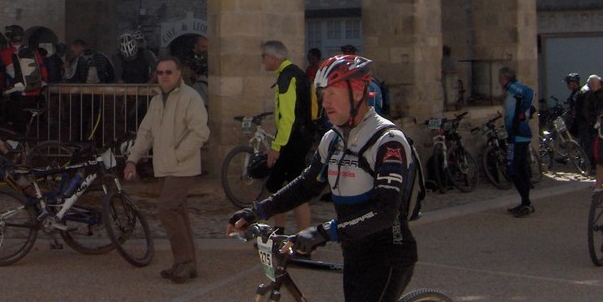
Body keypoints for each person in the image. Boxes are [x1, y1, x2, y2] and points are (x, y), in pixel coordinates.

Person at [227, 54, 417, 302]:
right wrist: (257, 210)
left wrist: (324, 232)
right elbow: (306, 186)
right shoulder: (332, 139)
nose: (325, 102)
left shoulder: (388, 141)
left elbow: (385, 211)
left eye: (333, 93)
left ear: (358, 91)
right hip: (355, 252)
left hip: (389, 254)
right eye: (323, 94)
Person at [123, 56, 209, 284]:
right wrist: (132, 159)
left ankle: (183, 261)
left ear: (179, 73)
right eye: (160, 72)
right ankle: (187, 263)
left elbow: (200, 132)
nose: (164, 76)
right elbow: (146, 133)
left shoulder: (191, 98)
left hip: (182, 166)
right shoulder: (156, 101)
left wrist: (177, 155)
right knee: (178, 211)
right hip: (163, 167)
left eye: (168, 72)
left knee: (166, 209)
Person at [261, 39, 313, 233]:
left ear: (273, 57)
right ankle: (282, 232)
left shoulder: (286, 77)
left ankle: (300, 239)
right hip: (300, 137)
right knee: (280, 187)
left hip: (292, 141)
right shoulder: (297, 73)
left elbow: (287, 117)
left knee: (286, 189)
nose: (263, 61)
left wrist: (276, 146)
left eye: (264, 56)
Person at [498, 65, 536, 217]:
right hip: (516, 134)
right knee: (520, 168)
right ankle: (525, 202)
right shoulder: (509, 89)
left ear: (504, 77)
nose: (499, 80)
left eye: (500, 77)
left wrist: (521, 113)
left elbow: (529, 92)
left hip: (518, 134)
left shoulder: (513, 87)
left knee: (512, 169)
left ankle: (526, 203)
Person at [581, 75, 603, 173]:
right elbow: (586, 110)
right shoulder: (590, 94)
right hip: (595, 125)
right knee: (594, 146)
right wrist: (592, 121)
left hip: (597, 124)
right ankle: (592, 165)